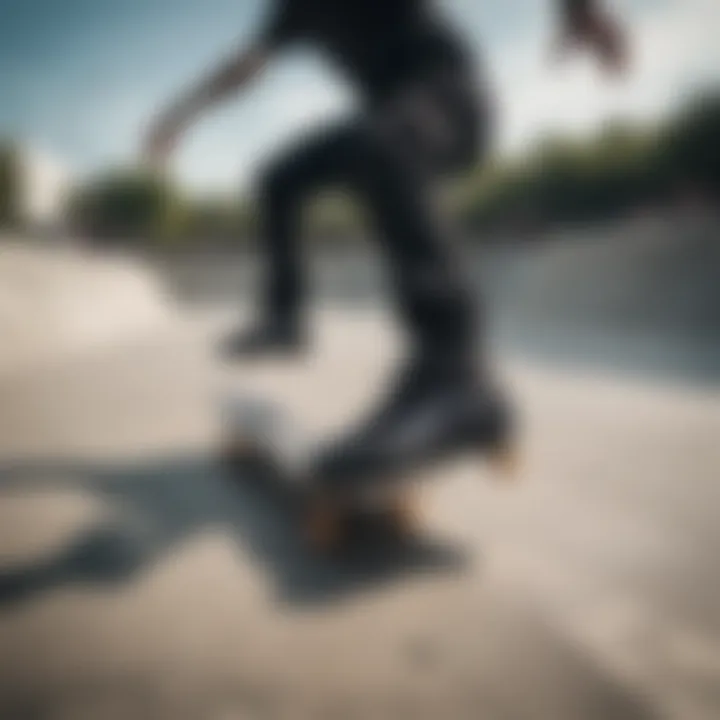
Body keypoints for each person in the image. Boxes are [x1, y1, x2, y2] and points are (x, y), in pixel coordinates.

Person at [143, 0, 627, 484]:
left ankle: (453, 374)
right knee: (278, 178)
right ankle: (283, 319)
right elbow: (242, 68)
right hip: (387, 121)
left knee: (383, 143)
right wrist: (179, 116)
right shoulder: (290, 12)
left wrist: (580, 14)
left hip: (454, 101)